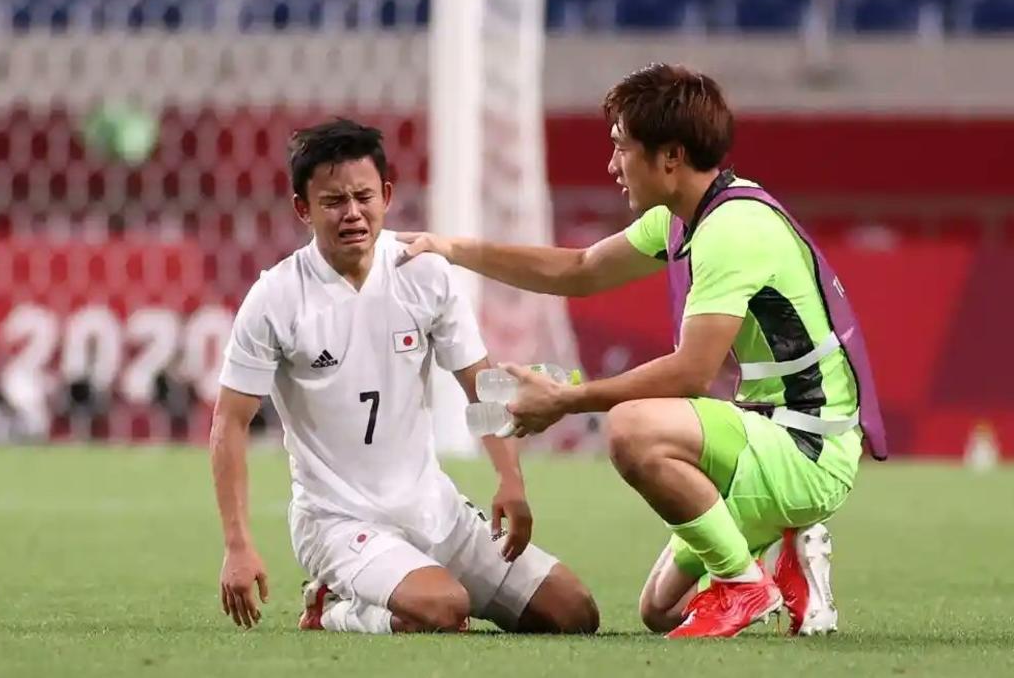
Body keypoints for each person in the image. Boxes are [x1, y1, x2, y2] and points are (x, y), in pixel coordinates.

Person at [398, 63, 887, 639]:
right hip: (765, 435)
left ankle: (742, 583)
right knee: (660, 610)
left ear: (671, 157)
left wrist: (566, 400)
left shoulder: (732, 230)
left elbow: (692, 373)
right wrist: (451, 249)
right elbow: (580, 269)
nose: (612, 165)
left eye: (621, 147)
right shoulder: (686, 217)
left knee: (631, 427)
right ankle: (791, 560)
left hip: (807, 448)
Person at [209, 118, 599, 635]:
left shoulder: (423, 272)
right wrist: (237, 545)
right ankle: (331, 607)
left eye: (363, 196)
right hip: (338, 522)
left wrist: (510, 479)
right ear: (303, 209)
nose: (352, 213)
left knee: (573, 612)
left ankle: (396, 592)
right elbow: (229, 422)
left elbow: (479, 383)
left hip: (434, 509)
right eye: (333, 201)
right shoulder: (275, 297)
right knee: (444, 609)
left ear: (387, 196)